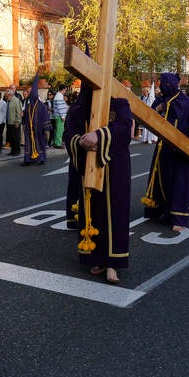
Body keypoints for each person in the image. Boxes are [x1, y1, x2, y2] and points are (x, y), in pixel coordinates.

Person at [65, 84, 133, 283]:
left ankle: (113, 262)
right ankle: (96, 258)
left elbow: (124, 128)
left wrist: (99, 136)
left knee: (115, 213)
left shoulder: (119, 101)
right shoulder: (79, 107)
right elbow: (68, 133)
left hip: (115, 167)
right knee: (94, 212)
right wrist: (80, 141)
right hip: (89, 167)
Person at [141, 73, 189, 232]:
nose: (160, 88)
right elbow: (149, 118)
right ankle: (160, 211)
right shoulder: (159, 101)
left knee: (179, 184)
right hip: (162, 149)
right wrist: (157, 109)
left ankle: (179, 217)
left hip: (181, 153)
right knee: (161, 181)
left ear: (169, 84)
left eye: (163, 84)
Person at [21, 75, 49, 166]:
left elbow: (45, 118)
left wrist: (46, 129)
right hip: (29, 130)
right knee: (29, 145)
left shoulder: (42, 106)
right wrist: (24, 125)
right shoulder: (29, 106)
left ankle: (41, 158)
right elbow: (25, 117)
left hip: (39, 130)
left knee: (40, 143)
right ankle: (28, 159)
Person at [5, 87, 22, 156]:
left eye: (7, 96)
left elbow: (18, 112)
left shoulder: (16, 101)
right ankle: (12, 151)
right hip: (9, 122)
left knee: (16, 138)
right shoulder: (8, 101)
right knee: (11, 138)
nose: (6, 97)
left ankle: (17, 151)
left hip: (15, 123)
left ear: (10, 95)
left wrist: (17, 121)